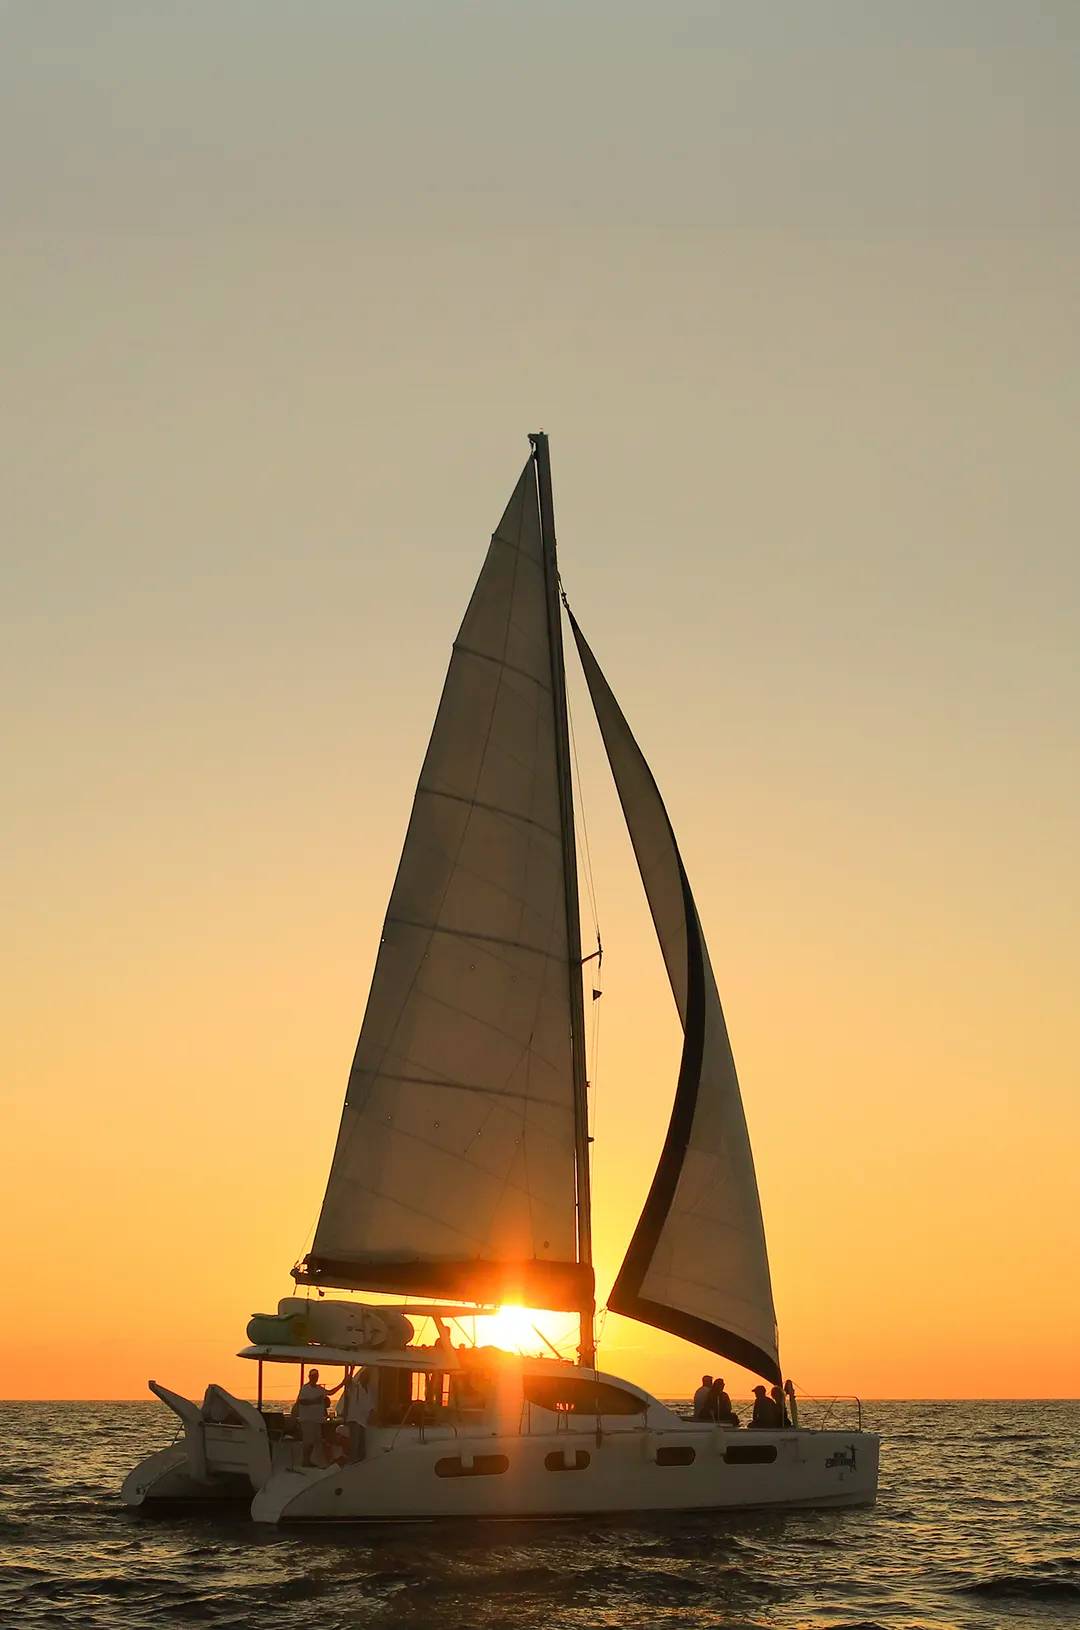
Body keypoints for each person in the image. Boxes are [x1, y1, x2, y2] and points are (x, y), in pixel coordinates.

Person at [294, 1367, 345, 1466]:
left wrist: (342, 1384)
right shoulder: (305, 1388)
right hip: (307, 1420)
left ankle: (315, 1461)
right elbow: (301, 1401)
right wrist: (314, 1400)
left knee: (316, 1441)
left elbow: (331, 1392)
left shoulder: (320, 1389)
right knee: (308, 1441)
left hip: (317, 1420)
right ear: (309, 1377)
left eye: (316, 1376)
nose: (315, 1378)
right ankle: (305, 1461)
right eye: (313, 1376)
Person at [342, 1367, 377, 1463]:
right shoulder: (355, 1387)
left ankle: (359, 1464)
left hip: (363, 1421)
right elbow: (348, 1381)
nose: (366, 1378)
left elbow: (371, 1407)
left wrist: (373, 1418)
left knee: (362, 1447)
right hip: (355, 1419)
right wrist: (352, 1369)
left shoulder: (368, 1390)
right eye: (364, 1376)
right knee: (355, 1444)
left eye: (367, 1377)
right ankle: (352, 1463)